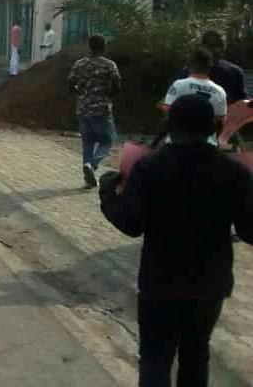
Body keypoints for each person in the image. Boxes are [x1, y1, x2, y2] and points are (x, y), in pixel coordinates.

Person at [100, 94, 253, 387]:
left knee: (156, 358)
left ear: (170, 126)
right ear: (213, 126)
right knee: (196, 355)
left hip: (160, 282)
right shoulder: (233, 171)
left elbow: (131, 224)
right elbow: (249, 230)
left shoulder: (149, 167)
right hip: (209, 283)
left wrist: (108, 194)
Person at [68, 34, 121, 189]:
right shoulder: (109, 65)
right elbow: (117, 85)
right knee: (107, 141)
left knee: (87, 143)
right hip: (101, 109)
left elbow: (70, 85)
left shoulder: (79, 64)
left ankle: (87, 178)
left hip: (83, 109)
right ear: (103, 47)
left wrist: (80, 93)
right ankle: (92, 164)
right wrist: (108, 95)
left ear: (89, 46)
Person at [159, 48, 227, 147]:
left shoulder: (179, 85)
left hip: (177, 146)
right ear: (210, 67)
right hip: (207, 147)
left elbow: (167, 115)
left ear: (189, 65)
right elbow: (220, 124)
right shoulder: (220, 91)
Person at [176, 31, 247, 106]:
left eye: (220, 46)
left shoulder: (235, 72)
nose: (216, 50)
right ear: (202, 47)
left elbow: (243, 99)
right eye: (211, 46)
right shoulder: (187, 72)